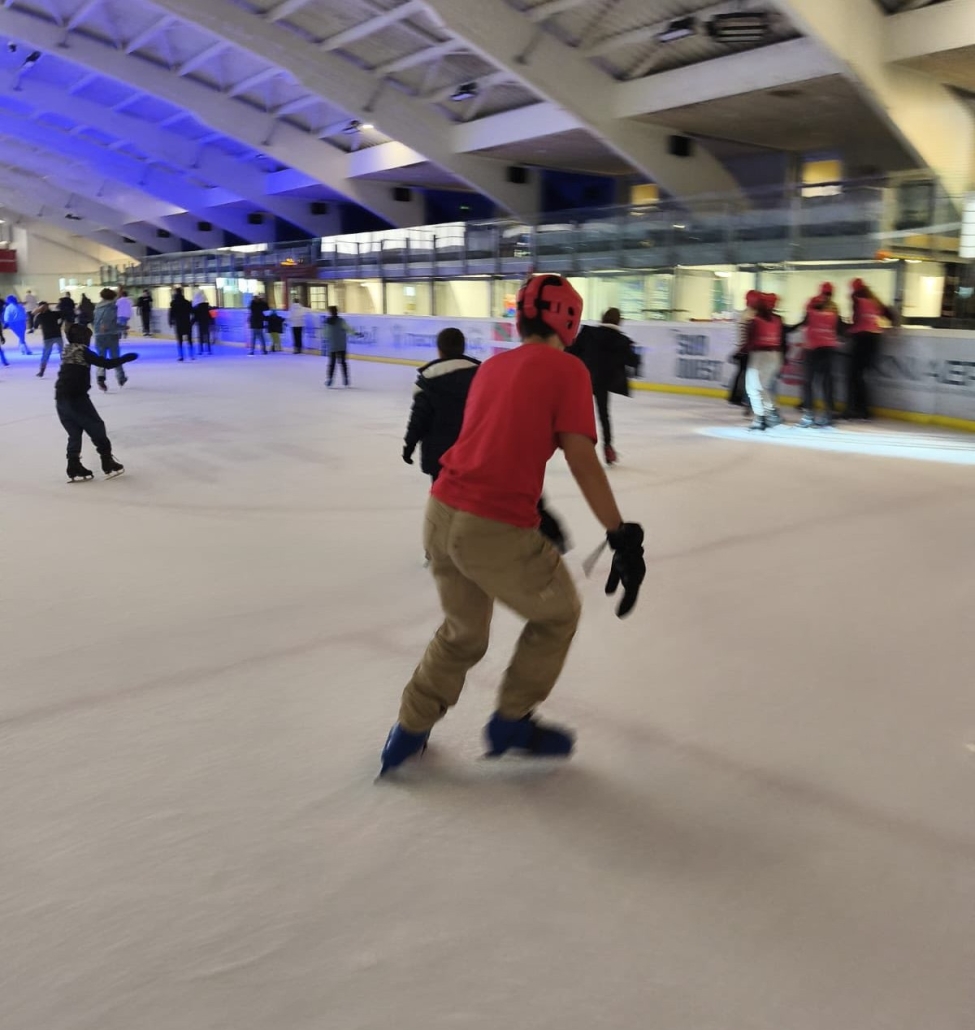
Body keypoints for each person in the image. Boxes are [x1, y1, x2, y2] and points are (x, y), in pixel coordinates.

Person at [379, 273, 646, 776]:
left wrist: (534, 504)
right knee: (559, 614)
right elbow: (582, 458)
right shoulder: (568, 370)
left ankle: (408, 731)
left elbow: (492, 445)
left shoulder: (493, 366)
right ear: (568, 321)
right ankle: (511, 721)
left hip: (440, 512)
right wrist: (619, 533)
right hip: (491, 525)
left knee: (462, 633)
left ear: (520, 318)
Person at [55, 323, 137, 483]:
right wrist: (126, 358)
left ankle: (73, 465)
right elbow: (105, 363)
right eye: (87, 337)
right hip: (77, 398)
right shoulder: (82, 350)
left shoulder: (67, 350)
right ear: (82, 337)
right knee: (97, 426)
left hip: (60, 398)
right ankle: (107, 461)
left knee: (74, 433)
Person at [403, 328, 481, 481]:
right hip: (473, 452)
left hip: (439, 455)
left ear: (439, 350)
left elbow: (419, 418)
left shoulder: (428, 380)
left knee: (442, 492)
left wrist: (409, 445)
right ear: (463, 347)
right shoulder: (482, 375)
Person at [567, 307, 641, 466]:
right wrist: (632, 352)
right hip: (603, 383)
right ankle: (608, 447)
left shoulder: (588, 333)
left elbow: (571, 351)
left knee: (576, 414)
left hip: (583, 380)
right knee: (603, 416)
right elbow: (633, 362)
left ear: (602, 317)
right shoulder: (622, 341)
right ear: (619, 321)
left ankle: (571, 445)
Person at [787, 283, 845, 428]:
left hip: (812, 350)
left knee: (808, 382)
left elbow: (803, 323)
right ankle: (828, 414)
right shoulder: (834, 312)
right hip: (828, 349)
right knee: (826, 382)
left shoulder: (812, 311)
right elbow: (841, 331)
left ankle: (809, 415)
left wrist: (787, 329)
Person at [847, 278, 897, 421]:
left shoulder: (857, 299)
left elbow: (856, 320)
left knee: (854, 376)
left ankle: (857, 409)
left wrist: (848, 331)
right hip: (874, 339)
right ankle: (863, 410)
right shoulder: (874, 300)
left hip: (861, 339)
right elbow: (891, 314)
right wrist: (892, 328)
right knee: (861, 376)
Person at [744, 292, 785, 431]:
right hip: (775, 356)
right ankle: (769, 414)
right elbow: (782, 341)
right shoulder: (778, 319)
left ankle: (760, 418)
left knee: (752, 388)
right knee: (763, 387)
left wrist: (741, 353)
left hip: (759, 356)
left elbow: (750, 342)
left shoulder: (755, 321)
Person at [93, 288, 126, 391]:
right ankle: (121, 377)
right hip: (110, 335)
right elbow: (109, 324)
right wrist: (123, 327)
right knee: (115, 358)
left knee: (101, 359)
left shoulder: (97, 307)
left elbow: (97, 321)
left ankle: (100, 378)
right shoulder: (111, 307)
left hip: (98, 335)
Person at [324, 305, 355, 387]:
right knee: (343, 363)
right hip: (341, 345)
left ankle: (330, 379)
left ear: (330, 312)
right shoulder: (341, 321)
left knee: (332, 363)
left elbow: (325, 334)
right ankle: (346, 379)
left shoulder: (327, 322)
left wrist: (329, 337)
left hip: (332, 346)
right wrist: (356, 333)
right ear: (337, 312)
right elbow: (349, 329)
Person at [34, 301, 64, 378]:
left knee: (46, 354)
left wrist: (37, 313)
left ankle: (42, 371)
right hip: (57, 335)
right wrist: (59, 325)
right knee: (62, 353)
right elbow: (63, 316)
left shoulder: (39, 316)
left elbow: (35, 325)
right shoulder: (54, 314)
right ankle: (65, 369)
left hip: (47, 337)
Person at [169, 287, 194, 361]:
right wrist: (192, 321)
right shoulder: (187, 302)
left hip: (178, 323)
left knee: (180, 340)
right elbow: (192, 311)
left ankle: (181, 356)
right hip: (187, 322)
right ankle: (191, 355)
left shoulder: (173, 303)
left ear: (176, 293)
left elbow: (171, 313)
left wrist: (171, 321)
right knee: (189, 339)